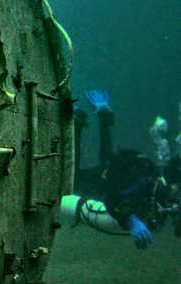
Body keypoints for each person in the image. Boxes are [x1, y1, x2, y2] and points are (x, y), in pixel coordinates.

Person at [60, 89, 154, 249]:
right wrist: (131, 220)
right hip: (109, 184)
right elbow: (114, 200)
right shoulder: (155, 191)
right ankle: (77, 121)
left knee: (106, 160)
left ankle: (89, 118)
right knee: (73, 180)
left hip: (119, 173)